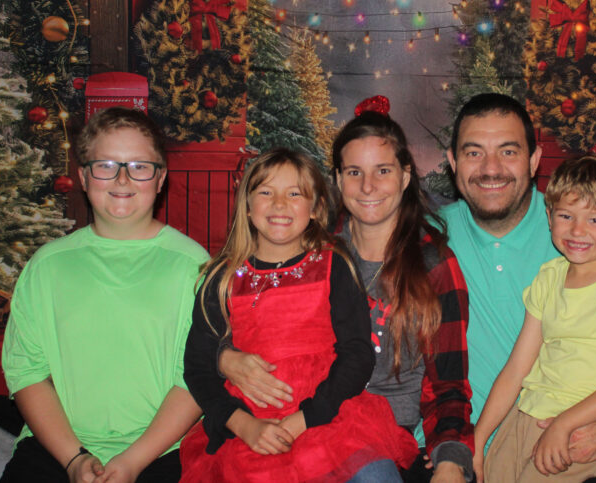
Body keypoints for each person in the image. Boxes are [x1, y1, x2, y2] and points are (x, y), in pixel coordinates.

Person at [441, 93, 596, 477]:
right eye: (474, 152)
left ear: (534, 160)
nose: (491, 168)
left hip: (573, 439)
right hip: (460, 442)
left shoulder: (593, 237)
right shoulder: (428, 236)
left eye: (508, 151)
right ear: (453, 162)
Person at [178, 148, 418, 483]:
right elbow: (198, 367)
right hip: (251, 432)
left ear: (316, 209)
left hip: (331, 418)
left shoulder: (334, 264)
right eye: (266, 192)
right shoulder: (223, 278)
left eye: (294, 194)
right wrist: (243, 425)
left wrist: (304, 419)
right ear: (247, 206)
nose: (279, 204)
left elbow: (357, 354)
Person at [0, 106, 207, 483]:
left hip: (165, 448)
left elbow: (195, 377)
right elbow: (27, 372)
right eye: (106, 165)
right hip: (59, 447)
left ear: (160, 178)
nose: (122, 179)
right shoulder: (48, 266)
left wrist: (132, 461)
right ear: (83, 176)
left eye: (139, 166)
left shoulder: (192, 266)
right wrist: (74, 459)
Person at [473, 155, 596, 482]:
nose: (577, 230)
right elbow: (516, 368)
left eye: (595, 219)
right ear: (549, 218)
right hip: (525, 416)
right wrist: (478, 439)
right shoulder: (548, 278)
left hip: (582, 426)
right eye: (566, 215)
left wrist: (564, 424)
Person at [332, 106, 475, 482]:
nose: (368, 187)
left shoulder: (433, 264)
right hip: (316, 426)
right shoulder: (319, 255)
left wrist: (450, 458)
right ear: (338, 179)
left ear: (406, 175)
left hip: (390, 442)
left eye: (383, 171)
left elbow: (449, 385)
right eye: (354, 172)